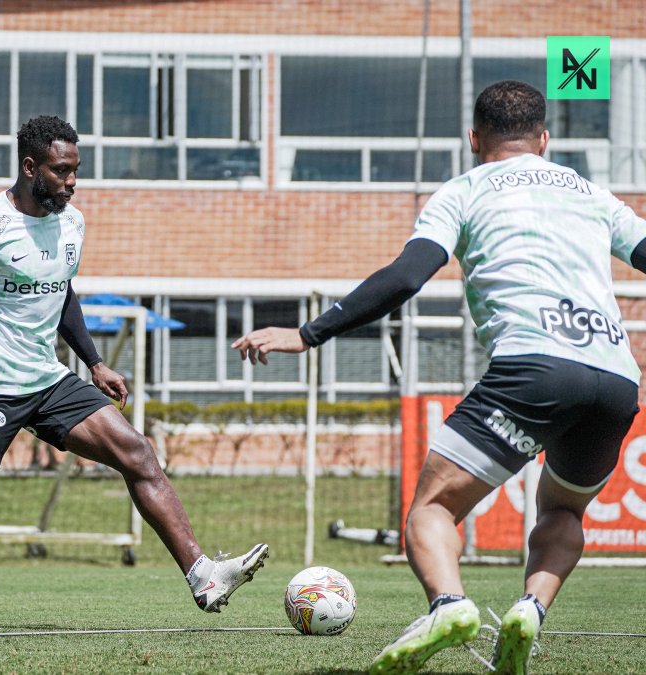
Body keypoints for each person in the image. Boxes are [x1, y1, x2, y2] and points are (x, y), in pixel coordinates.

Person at [234, 80, 646, 675]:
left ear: (473, 138)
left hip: (533, 365)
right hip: (615, 377)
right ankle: (530, 608)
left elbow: (405, 279)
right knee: (563, 512)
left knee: (430, 510)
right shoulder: (592, 194)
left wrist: (307, 333)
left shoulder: (463, 190)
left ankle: (449, 606)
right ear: (545, 140)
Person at [0, 114, 269, 631]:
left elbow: (63, 295)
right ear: (30, 165)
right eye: (62, 171)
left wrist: (95, 362)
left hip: (50, 381)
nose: (73, 181)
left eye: (76, 169)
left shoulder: (71, 222)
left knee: (138, 453)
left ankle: (202, 574)